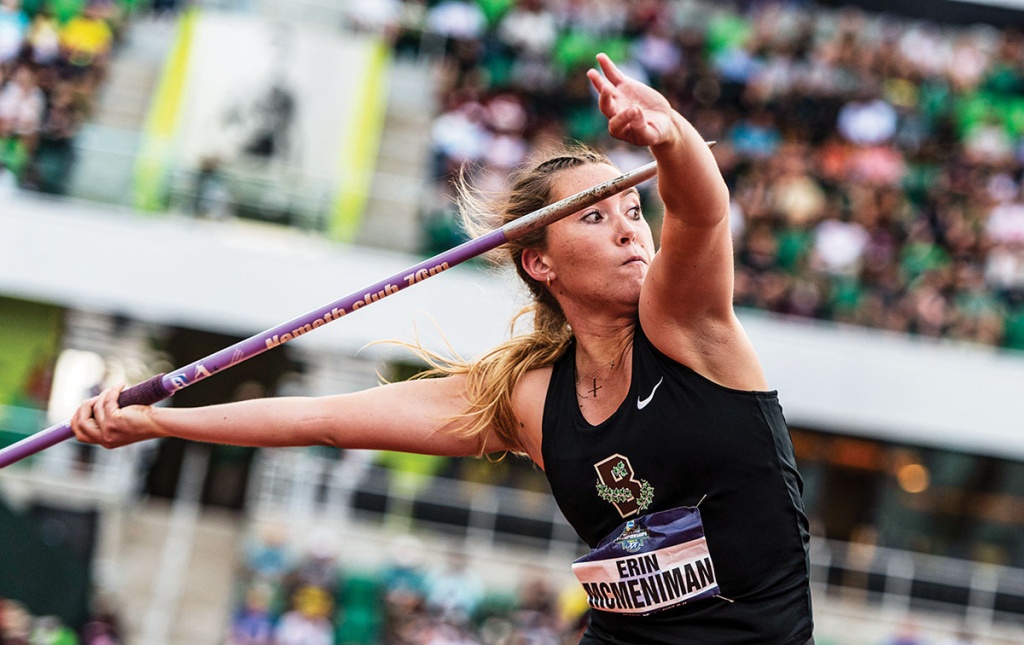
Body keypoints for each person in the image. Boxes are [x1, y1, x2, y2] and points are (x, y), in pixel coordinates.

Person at [70, 54, 813, 644]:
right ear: (539, 264)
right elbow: (326, 417)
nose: (629, 229)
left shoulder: (688, 330)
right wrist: (157, 422)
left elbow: (703, 215)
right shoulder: (527, 398)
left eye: (630, 208)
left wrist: (671, 135)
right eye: (594, 217)